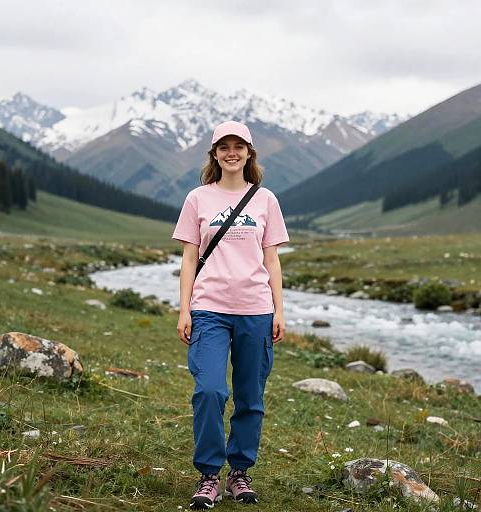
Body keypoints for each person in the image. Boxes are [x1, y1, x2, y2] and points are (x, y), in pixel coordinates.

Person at [172, 120, 289, 509]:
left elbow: (271, 259)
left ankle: (239, 473)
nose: (232, 152)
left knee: (250, 397)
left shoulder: (266, 200)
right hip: (208, 310)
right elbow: (189, 258)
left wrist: (279, 310)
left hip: (256, 310)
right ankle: (208, 475)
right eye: (224, 146)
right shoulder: (197, 198)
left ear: (250, 153)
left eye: (239, 146)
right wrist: (184, 308)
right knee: (209, 390)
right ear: (215, 154)